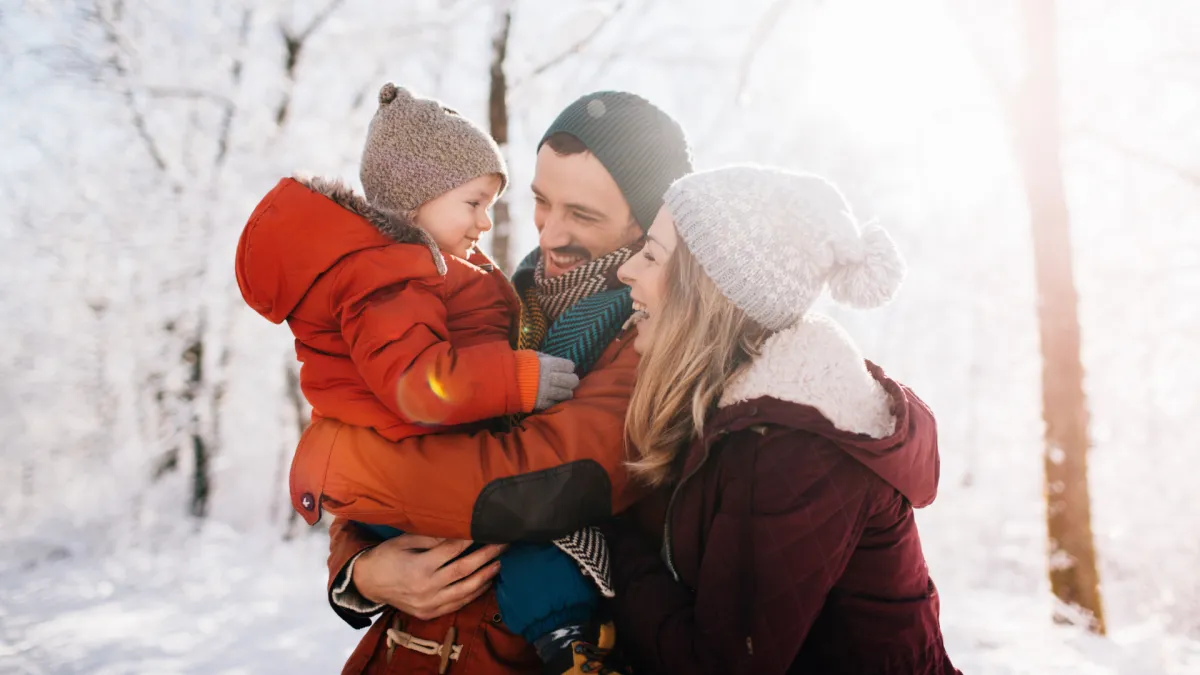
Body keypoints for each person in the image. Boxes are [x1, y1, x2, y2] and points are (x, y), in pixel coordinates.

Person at [305, 92, 694, 674]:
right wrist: (362, 570)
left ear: (644, 220)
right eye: (541, 202)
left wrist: (347, 463)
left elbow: (542, 480)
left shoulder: (650, 342)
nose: (552, 233)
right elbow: (390, 419)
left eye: (582, 215)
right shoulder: (489, 302)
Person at [234, 84, 612, 672]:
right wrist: (362, 572)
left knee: (527, 546)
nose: (489, 223)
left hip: (420, 488)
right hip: (409, 484)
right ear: (418, 200)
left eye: (583, 211)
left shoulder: (428, 271)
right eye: (474, 203)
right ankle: (569, 645)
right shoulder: (390, 275)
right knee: (526, 551)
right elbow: (415, 382)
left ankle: (569, 642)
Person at [607, 165, 959, 674]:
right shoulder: (728, 409)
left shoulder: (792, 450)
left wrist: (607, 543)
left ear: (705, 291)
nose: (627, 270)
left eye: (653, 254)